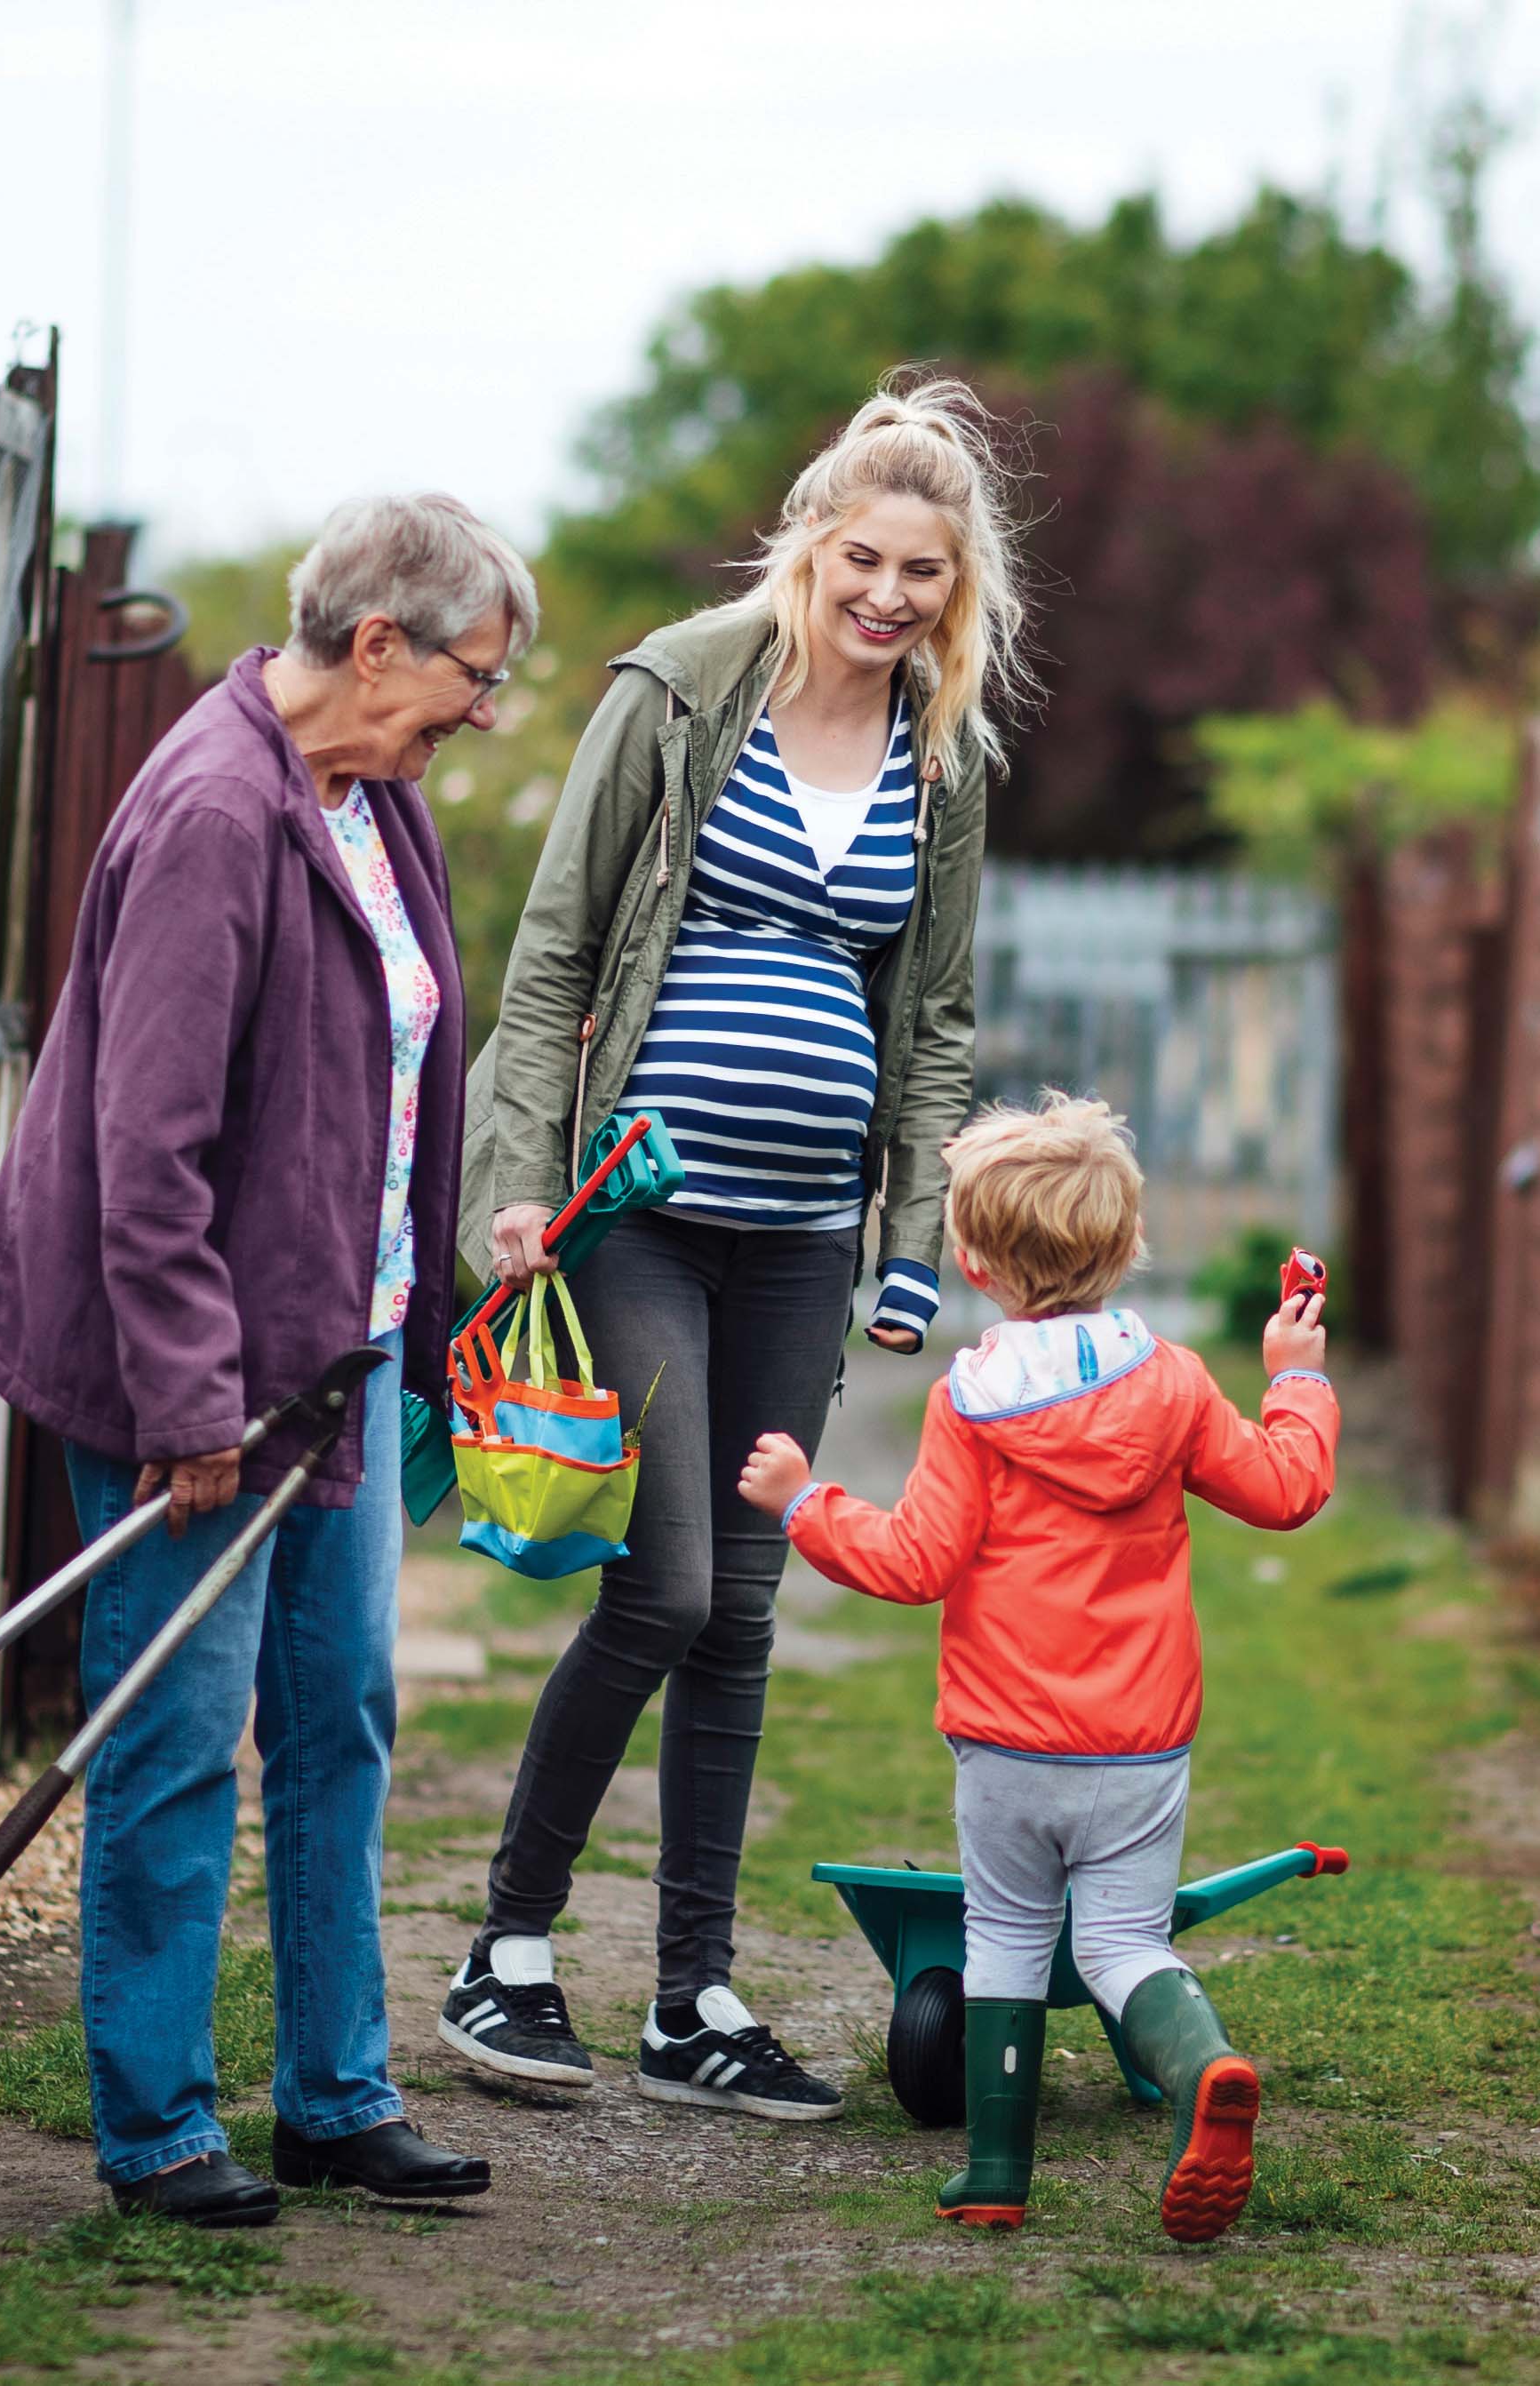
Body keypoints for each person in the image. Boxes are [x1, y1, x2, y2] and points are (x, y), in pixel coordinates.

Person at [439, 375, 1029, 2120]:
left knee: (745, 1612)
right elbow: (552, 951)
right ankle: (508, 1946)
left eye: (924, 572)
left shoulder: (946, 752)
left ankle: (689, 1993)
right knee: (670, 1579)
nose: (889, 596)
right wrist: (509, 1176)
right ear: (808, 542)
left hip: (792, 1242)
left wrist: (906, 1241)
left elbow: (931, 1018)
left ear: (955, 585)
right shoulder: (680, 687)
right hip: (632, 1215)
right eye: (864, 556)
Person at [0, 493, 534, 2228]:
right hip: (192, 1372)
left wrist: (419, 1321)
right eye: (469, 678)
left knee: (340, 1719)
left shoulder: (373, 801)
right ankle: (154, 2125)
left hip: (330, 1360)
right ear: (373, 644)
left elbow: (395, 1074)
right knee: (177, 1740)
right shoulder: (215, 809)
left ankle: (335, 2097)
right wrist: (190, 1403)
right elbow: (149, 1148)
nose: (477, 712)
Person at [739, 1092, 1337, 2241]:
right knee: (1118, 1944)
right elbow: (1283, 1489)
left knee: (1002, 1938)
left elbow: (914, 1561)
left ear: (968, 1254)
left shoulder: (968, 1402)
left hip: (1005, 1743)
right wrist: (1294, 1373)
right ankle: (1201, 2063)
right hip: (1140, 1740)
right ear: (1125, 1245)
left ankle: (996, 2174)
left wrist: (805, 1503)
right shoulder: (1167, 1382)